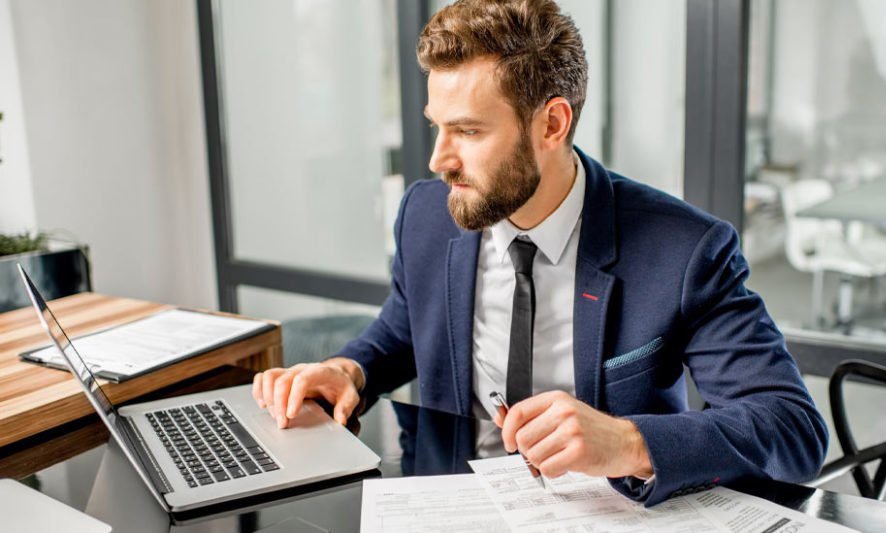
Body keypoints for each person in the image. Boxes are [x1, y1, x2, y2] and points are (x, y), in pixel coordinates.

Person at [251, 0, 828, 505]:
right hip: (449, 503)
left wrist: (628, 442)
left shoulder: (683, 249)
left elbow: (792, 428)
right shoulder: (427, 215)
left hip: (608, 514)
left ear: (552, 123)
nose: (438, 159)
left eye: (470, 132)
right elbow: (403, 328)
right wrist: (349, 368)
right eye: (437, 127)